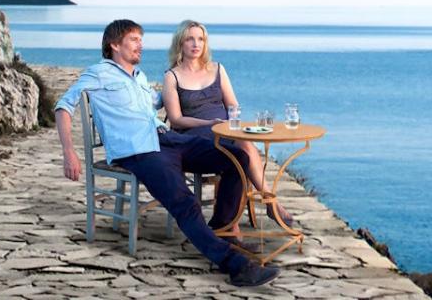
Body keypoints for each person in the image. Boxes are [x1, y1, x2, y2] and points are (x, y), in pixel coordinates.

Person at [54, 19, 279, 287]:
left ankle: (221, 228)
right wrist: (69, 152)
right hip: (138, 151)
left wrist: (188, 83)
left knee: (237, 159)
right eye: (134, 39)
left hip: (167, 139)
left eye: (141, 39)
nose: (141, 45)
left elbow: (160, 102)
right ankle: (236, 265)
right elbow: (63, 107)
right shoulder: (98, 74)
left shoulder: (139, 78)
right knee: (184, 203)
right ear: (114, 45)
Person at [162, 19, 294, 228]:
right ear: (180, 43)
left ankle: (244, 215)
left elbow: (233, 106)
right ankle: (268, 203)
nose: (196, 44)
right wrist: (208, 122)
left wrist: (231, 124)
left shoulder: (217, 69)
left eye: (201, 39)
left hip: (223, 130)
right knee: (241, 151)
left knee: (243, 146)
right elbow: (176, 119)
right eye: (190, 39)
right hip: (192, 135)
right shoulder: (172, 76)